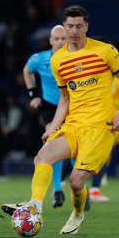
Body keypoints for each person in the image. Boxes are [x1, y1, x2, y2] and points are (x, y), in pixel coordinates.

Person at [1, 5, 119, 235]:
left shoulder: (104, 51)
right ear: (64, 27)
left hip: (100, 128)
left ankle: (77, 213)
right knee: (42, 156)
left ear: (86, 27)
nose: (74, 31)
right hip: (74, 124)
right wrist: (53, 127)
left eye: (79, 26)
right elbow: (64, 98)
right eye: (70, 26)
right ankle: (35, 206)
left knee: (75, 182)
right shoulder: (58, 60)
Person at [23, 25, 70, 208]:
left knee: (75, 151)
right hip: (51, 107)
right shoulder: (39, 59)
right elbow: (26, 70)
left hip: (73, 106)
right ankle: (57, 190)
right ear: (50, 41)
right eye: (56, 39)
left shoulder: (74, 59)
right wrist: (32, 94)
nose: (59, 42)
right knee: (53, 142)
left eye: (63, 39)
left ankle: (78, 189)